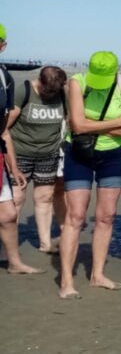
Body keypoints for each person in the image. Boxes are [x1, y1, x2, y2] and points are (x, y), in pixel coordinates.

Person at [59, 51, 121, 297]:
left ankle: (98, 274)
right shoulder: (77, 82)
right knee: (76, 216)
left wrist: (90, 122)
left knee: (107, 216)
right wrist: (117, 122)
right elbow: (77, 125)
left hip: (113, 156)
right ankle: (66, 281)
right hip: (79, 153)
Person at [6, 65, 68, 254]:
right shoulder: (23, 91)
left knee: (45, 198)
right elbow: (4, 127)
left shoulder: (61, 94)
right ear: (39, 81)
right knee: (16, 198)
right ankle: (9, 246)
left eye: (53, 91)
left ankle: (45, 243)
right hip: (20, 153)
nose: (49, 94)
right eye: (46, 90)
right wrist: (12, 163)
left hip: (49, 155)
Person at [0, 24, 45, 274]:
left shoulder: (4, 77)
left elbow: (4, 128)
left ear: (3, 46)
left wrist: (13, 167)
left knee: (7, 214)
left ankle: (14, 263)